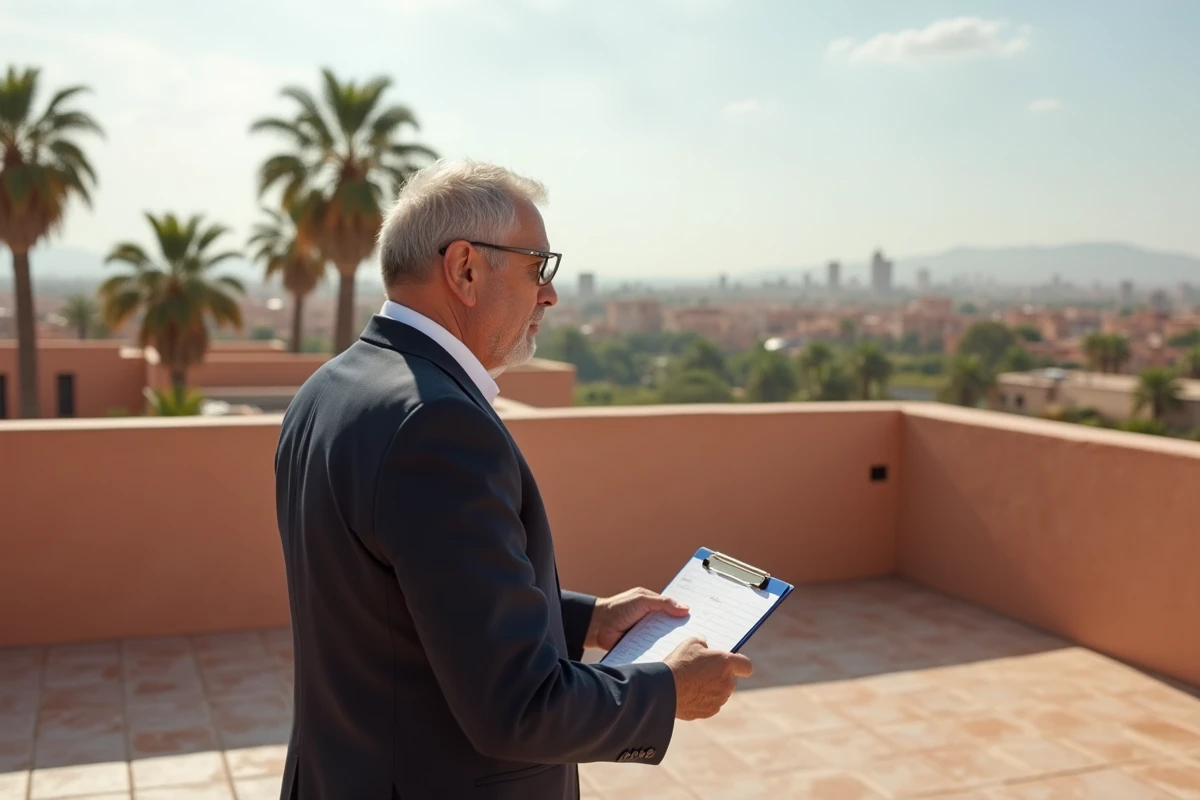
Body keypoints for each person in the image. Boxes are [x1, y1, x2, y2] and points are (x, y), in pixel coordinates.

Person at [273, 160, 753, 800]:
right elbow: (517, 705)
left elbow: (404, 601)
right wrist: (667, 691)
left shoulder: (331, 388)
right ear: (465, 268)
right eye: (538, 267)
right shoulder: (438, 424)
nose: (549, 294)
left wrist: (588, 619)